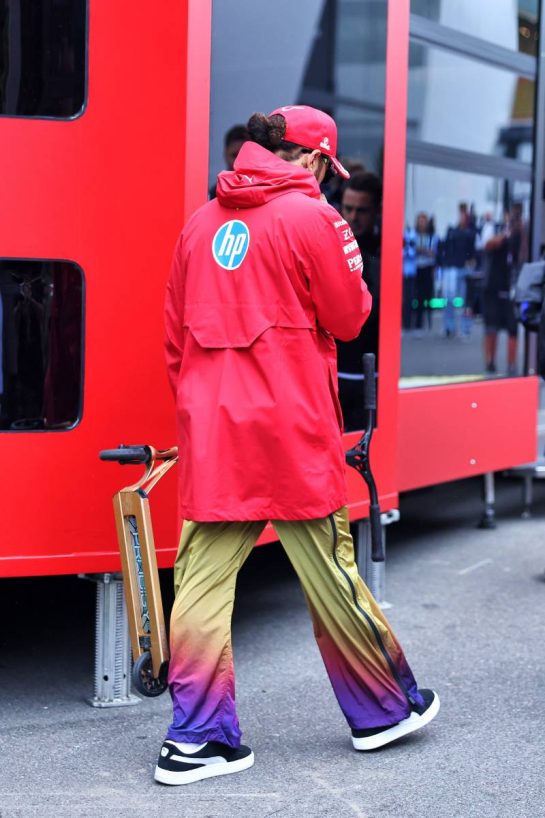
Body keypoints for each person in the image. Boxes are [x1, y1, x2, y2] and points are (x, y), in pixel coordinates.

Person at [160, 104, 439, 786]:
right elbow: (348, 318)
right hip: (288, 429)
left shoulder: (199, 224)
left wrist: (202, 411)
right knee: (329, 572)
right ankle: (381, 710)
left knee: (200, 580)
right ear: (313, 159)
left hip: (215, 430)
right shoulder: (315, 217)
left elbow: (173, 341)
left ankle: (195, 741)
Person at [336, 171, 382, 430]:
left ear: (376, 211)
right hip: (336, 373)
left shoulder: (383, 252)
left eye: (361, 210)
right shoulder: (329, 242)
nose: (353, 217)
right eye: (348, 208)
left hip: (370, 376)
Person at [482, 207, 522, 375]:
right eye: (509, 217)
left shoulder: (520, 236)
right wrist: (505, 234)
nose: (511, 220)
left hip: (511, 289)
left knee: (513, 328)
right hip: (493, 288)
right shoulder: (494, 230)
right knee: (491, 327)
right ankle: (490, 362)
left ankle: (512, 365)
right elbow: (488, 244)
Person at [438, 203, 476, 337]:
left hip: (464, 268)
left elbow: (472, 250)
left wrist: (471, 261)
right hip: (451, 268)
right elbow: (446, 247)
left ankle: (465, 327)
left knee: (466, 300)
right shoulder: (452, 230)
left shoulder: (471, 232)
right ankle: (449, 326)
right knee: (449, 298)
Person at [209, 124, 249, 199]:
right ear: (225, 154)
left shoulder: (262, 189)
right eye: (234, 155)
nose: (238, 161)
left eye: (243, 155)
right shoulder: (214, 194)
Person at [414, 212, 438, 334]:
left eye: (424, 220)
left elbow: (435, 252)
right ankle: (418, 325)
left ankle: (429, 321)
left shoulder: (432, 236)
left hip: (428, 267)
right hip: (418, 268)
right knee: (419, 296)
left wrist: (427, 252)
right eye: (420, 220)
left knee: (429, 295)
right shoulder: (414, 235)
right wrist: (422, 250)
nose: (422, 223)